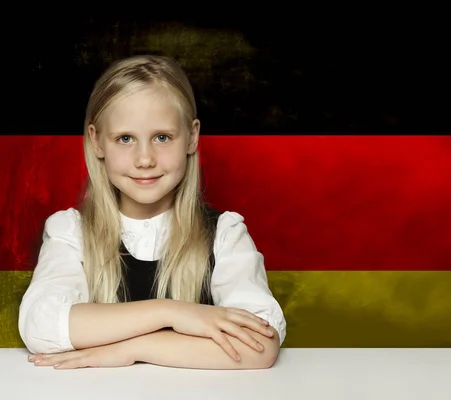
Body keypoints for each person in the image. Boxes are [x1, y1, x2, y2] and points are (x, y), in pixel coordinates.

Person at [18, 55, 286, 370]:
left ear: (192, 136)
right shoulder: (70, 231)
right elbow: (42, 327)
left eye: (162, 137)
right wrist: (172, 313)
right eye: (125, 139)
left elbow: (260, 346)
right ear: (97, 141)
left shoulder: (224, 234)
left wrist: (132, 349)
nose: (145, 159)